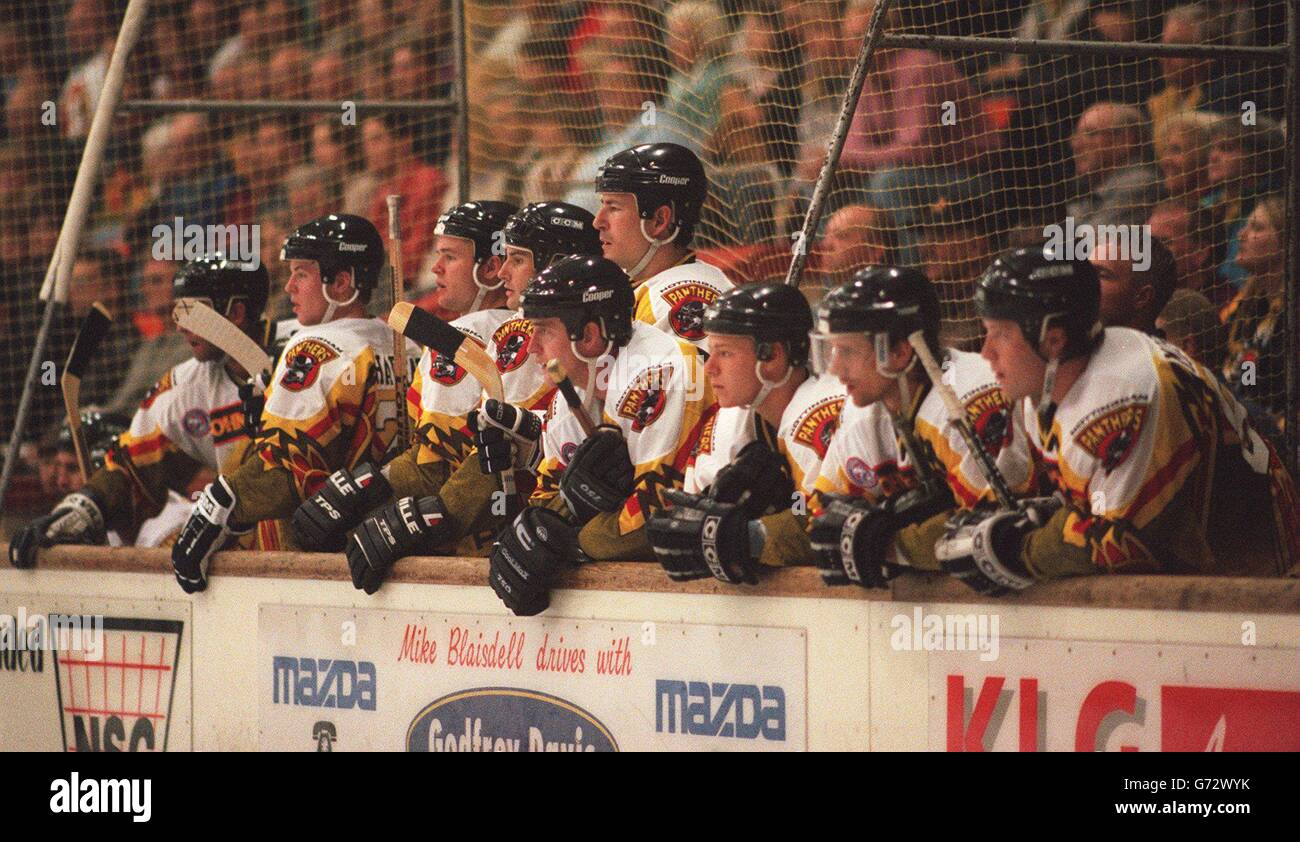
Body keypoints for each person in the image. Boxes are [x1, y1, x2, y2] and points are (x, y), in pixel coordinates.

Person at [934, 245, 1297, 592]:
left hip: (1269, 577)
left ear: (1053, 339)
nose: (985, 353)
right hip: (1208, 575)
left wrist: (1019, 549)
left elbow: (1125, 545)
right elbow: (1085, 504)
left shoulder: (1126, 393)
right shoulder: (1044, 388)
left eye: (1001, 334)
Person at [293, 200, 603, 560]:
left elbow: (436, 460)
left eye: (450, 257)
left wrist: (374, 493)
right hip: (534, 535)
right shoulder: (538, 333)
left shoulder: (498, 334)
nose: (504, 271)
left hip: (486, 542)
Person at [169, 214, 419, 591]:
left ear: (341, 283)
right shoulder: (410, 347)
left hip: (319, 565)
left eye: (301, 274)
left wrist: (218, 506)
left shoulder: (314, 349)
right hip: (395, 551)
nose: (288, 287)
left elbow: (287, 469)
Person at [10, 255, 270, 568]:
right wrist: (85, 507)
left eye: (194, 310)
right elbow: (133, 464)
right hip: (252, 552)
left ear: (236, 312)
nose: (180, 324)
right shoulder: (187, 384)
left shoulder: (302, 357)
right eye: (178, 310)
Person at [806, 266, 1036, 589]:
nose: (834, 368)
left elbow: (993, 534)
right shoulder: (863, 412)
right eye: (831, 349)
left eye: (848, 351)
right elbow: (819, 518)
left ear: (900, 352)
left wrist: (887, 543)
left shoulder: (967, 402)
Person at [645, 283, 846, 584]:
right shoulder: (730, 421)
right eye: (710, 352)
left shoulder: (820, 415)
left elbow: (833, 527)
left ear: (774, 356)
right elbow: (689, 518)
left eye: (724, 353)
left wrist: (752, 535)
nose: (710, 368)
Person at [593, 143, 733, 349]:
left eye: (613, 207)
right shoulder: (643, 286)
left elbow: (694, 381)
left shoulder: (682, 298)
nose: (598, 221)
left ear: (659, 220)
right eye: (602, 205)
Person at [1092, 227, 1179, 334]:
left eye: (1101, 275)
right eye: (1087, 271)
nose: (1084, 281)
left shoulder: (1156, 351)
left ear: (1142, 297)